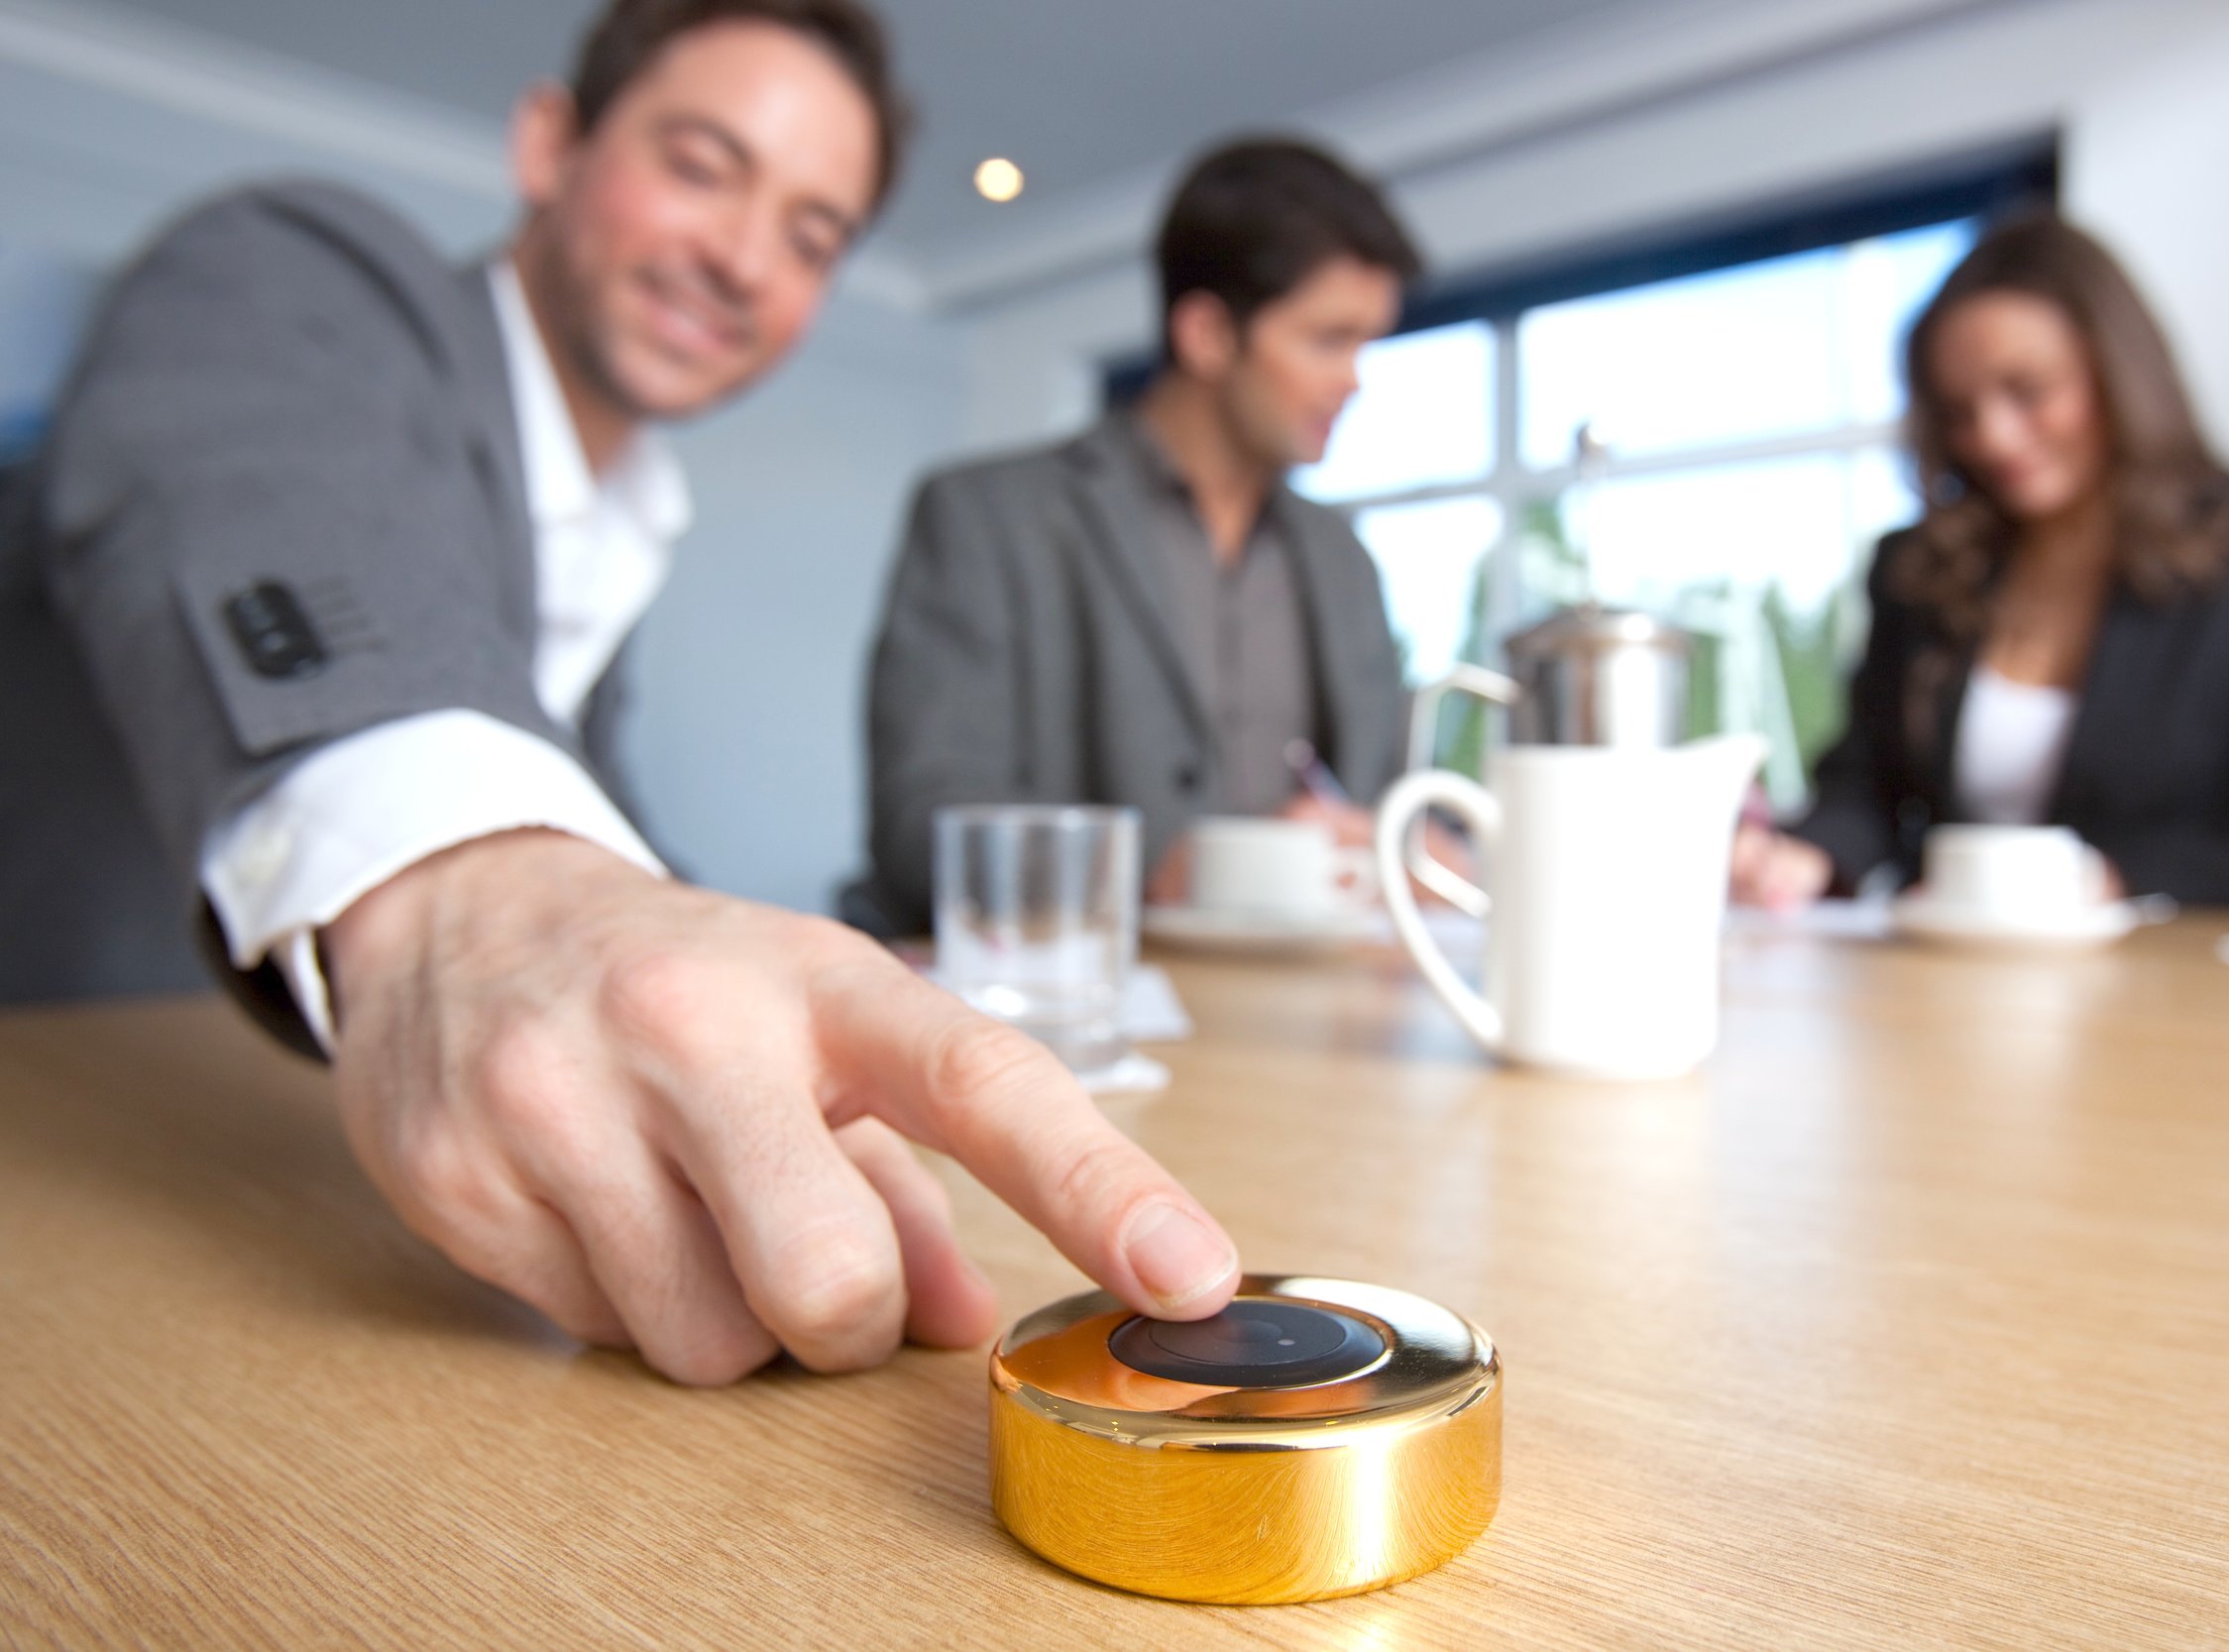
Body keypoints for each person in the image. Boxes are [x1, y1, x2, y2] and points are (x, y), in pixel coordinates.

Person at [27, 0, 1239, 1385]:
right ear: (552, 143)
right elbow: (260, 481)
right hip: (78, 1141)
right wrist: (476, 897)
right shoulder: (303, 278)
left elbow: (608, 841)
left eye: (809, 234)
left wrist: (796, 968)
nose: (739, 257)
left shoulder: (619, 533)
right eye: (702, 164)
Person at [1732, 215, 2229, 909]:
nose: (1994, 437)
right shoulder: (1920, 570)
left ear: (2114, 372)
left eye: (2028, 392)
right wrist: (1807, 857)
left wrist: (2116, 876)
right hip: (1966, 975)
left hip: (2191, 977)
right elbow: (1868, 786)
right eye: (1958, 411)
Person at [850, 138, 1423, 935]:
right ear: (1208, 335)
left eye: (1368, 342)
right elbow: (923, 818)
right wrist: (1171, 867)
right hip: (1072, 1007)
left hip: (1314, 1018)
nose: (1354, 378)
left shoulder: (1341, 559)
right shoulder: (988, 514)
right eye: (1328, 339)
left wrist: (1419, 852)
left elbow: (1385, 798)